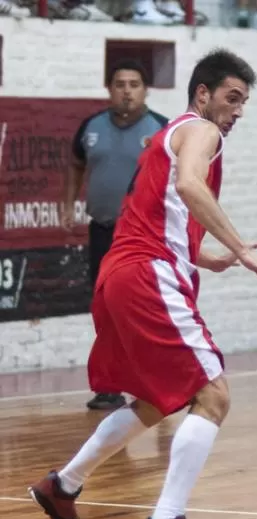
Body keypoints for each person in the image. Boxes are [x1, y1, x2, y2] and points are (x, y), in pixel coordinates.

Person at [28, 48, 257, 519]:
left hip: (122, 273)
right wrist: (240, 248)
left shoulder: (163, 138)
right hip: (148, 275)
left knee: (155, 399)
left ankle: (63, 485)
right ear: (202, 95)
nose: (237, 111)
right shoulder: (200, 131)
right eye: (231, 99)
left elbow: (158, 210)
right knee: (213, 394)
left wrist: (204, 257)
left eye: (244, 103)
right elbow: (190, 187)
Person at [65, 59, 169, 411]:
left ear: (145, 90)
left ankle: (156, 382)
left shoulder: (161, 130)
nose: (127, 90)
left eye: (134, 84)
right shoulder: (91, 126)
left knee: (145, 309)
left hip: (144, 237)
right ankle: (110, 387)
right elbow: (77, 163)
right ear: (109, 89)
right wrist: (68, 204)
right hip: (102, 231)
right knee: (106, 309)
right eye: (120, 84)